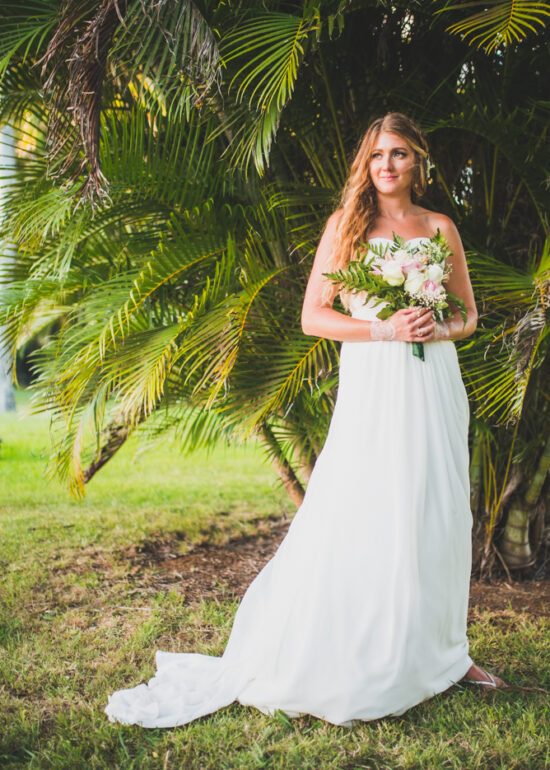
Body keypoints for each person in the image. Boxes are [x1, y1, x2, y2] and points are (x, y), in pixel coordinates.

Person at [105, 112, 507, 729]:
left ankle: (448, 655)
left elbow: (469, 315)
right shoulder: (346, 226)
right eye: (377, 156)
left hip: (434, 383)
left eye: (399, 154)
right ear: (365, 166)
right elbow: (313, 317)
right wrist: (385, 328)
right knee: (372, 506)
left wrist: (435, 325)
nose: (388, 166)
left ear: (418, 162)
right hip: (375, 384)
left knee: (438, 508)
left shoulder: (440, 228)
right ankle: (369, 649)